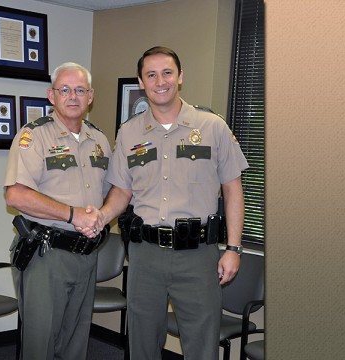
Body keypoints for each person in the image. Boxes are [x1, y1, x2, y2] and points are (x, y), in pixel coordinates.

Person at [88, 46, 249, 360]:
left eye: (167, 73)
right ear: (141, 81)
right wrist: (101, 216)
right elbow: (122, 191)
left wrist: (233, 249)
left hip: (198, 256)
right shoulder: (129, 132)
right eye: (151, 74)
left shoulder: (211, 126)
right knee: (142, 342)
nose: (159, 81)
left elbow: (233, 191)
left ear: (180, 77)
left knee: (202, 344)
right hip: (145, 255)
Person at [4, 62, 111, 360]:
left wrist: (100, 218)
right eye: (64, 90)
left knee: (77, 341)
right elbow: (16, 195)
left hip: (87, 254)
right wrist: (74, 215)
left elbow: (114, 192)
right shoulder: (34, 136)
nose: (72, 96)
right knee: (41, 343)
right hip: (46, 254)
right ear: (51, 95)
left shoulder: (100, 140)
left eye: (80, 90)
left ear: (91, 96)